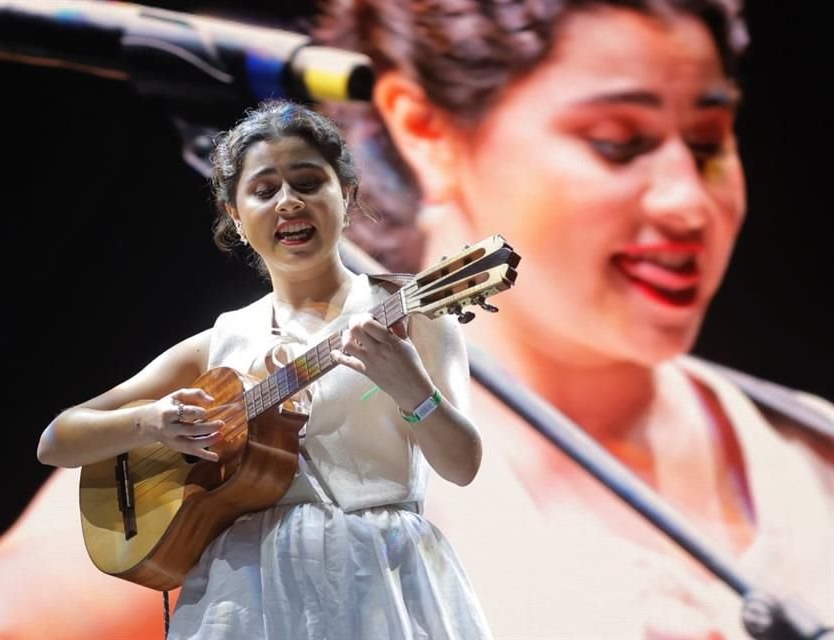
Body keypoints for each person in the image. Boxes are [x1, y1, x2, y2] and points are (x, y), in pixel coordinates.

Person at [317, 0, 834, 638]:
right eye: (618, 143)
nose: (687, 203)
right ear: (424, 128)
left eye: (707, 145)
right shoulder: (323, 500)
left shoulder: (814, 452)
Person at [33, 99, 491, 639]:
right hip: (242, 598)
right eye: (264, 189)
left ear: (345, 195)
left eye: (307, 182)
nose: (289, 202)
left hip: (382, 582)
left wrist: (413, 391)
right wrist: (151, 422)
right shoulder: (219, 343)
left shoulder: (411, 314)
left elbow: (462, 465)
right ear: (235, 214)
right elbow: (56, 440)